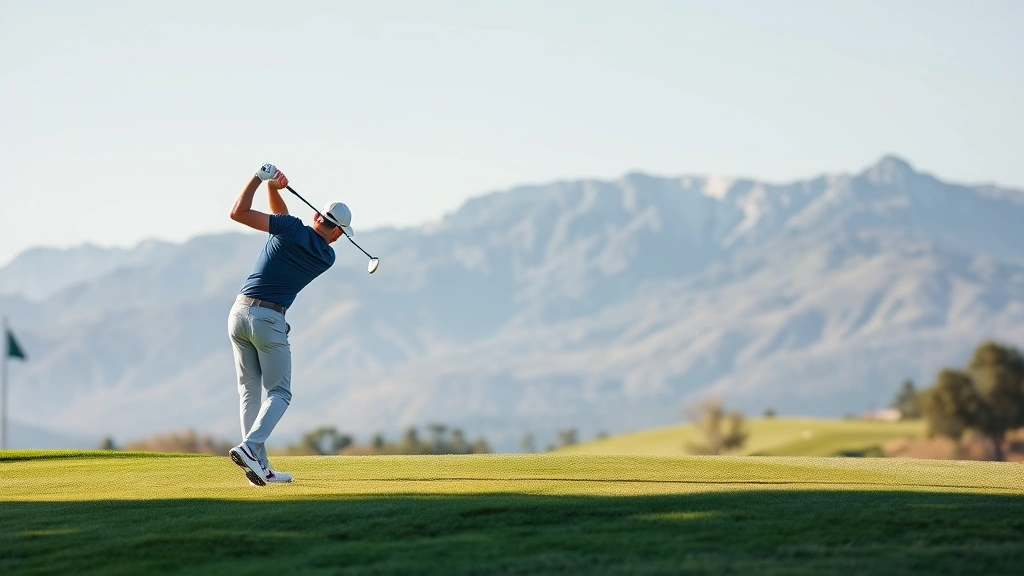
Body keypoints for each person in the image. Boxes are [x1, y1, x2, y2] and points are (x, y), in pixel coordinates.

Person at [226, 162, 355, 486]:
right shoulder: (327, 257)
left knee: (249, 392)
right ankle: (252, 449)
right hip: (269, 320)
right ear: (338, 233)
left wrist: (262, 179)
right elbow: (283, 223)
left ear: (316, 217)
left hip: (238, 313)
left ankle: (259, 465)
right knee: (280, 393)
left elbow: (239, 213)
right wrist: (273, 187)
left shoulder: (289, 228)